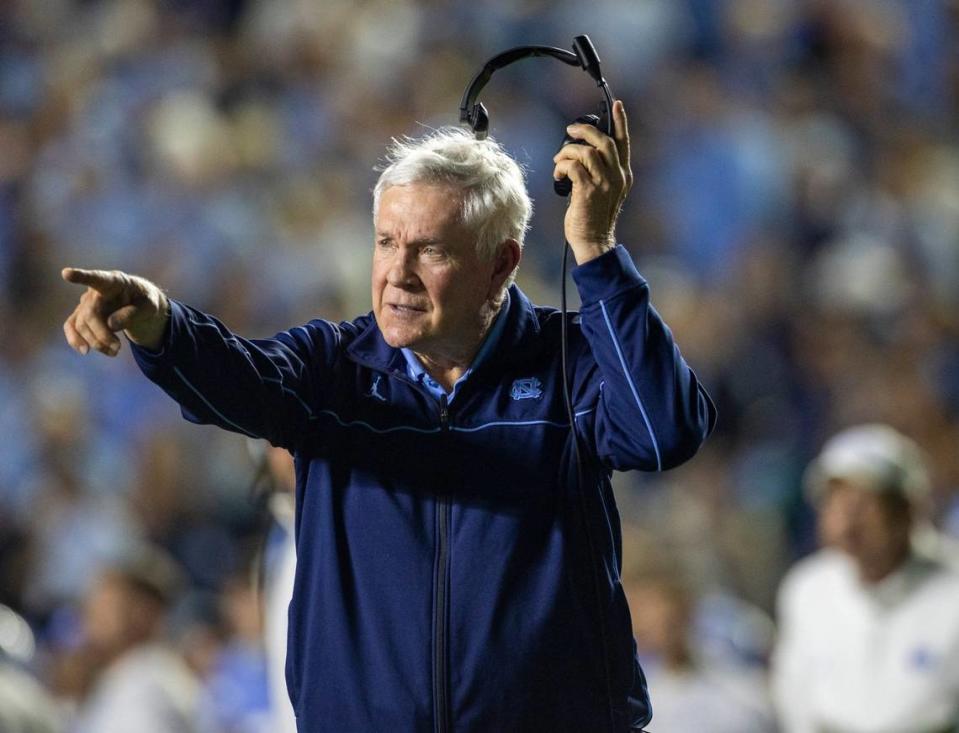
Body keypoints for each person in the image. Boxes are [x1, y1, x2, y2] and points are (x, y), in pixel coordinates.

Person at [61, 100, 716, 731]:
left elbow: (663, 433)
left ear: (499, 267)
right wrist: (159, 322)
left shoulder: (568, 361)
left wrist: (597, 255)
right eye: (385, 242)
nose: (396, 273)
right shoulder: (332, 369)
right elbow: (234, 378)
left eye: (429, 249)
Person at [771, 424, 959, 733]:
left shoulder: (952, 586)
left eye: (866, 502)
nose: (848, 519)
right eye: (836, 500)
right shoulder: (807, 589)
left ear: (908, 508)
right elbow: (793, 697)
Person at [71, 546, 201, 733]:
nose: (93, 610)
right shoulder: (126, 674)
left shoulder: (152, 688)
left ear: (144, 612)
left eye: (108, 601)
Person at [625, 573, 776, 733]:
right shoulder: (630, 689)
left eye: (672, 622)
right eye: (641, 610)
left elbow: (756, 710)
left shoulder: (723, 665)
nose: (656, 624)